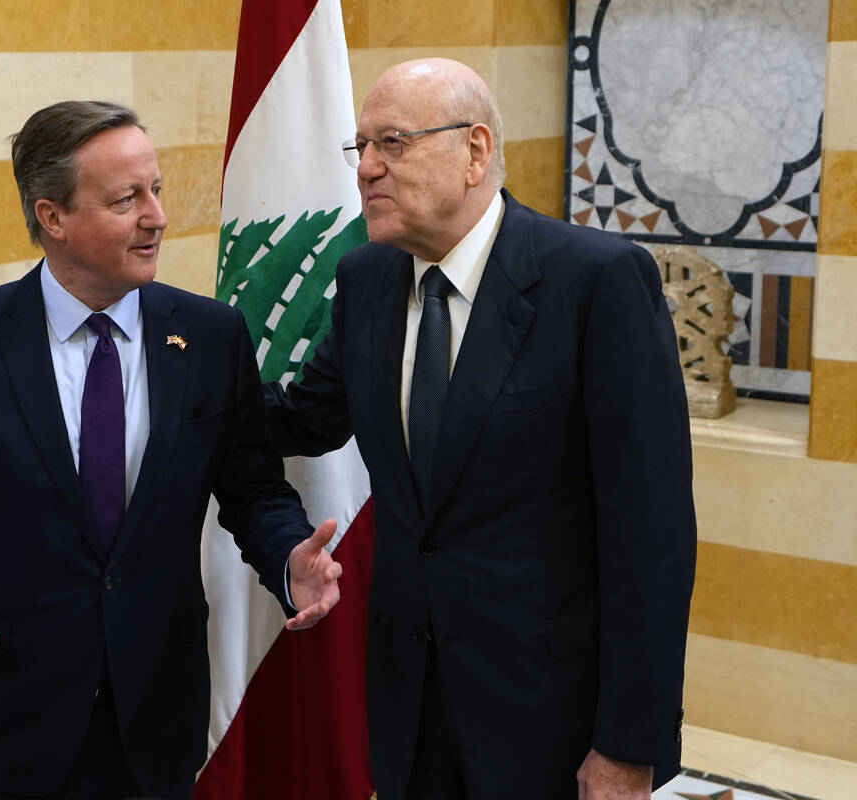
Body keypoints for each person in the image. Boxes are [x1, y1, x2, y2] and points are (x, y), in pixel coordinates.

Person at [0, 100, 343, 800]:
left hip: (150, 723)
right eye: (127, 199)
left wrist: (288, 556)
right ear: (52, 217)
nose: (158, 217)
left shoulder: (211, 338)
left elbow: (254, 492)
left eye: (157, 190)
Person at [263, 59, 697, 799]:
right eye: (360, 146)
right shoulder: (367, 278)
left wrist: (628, 744)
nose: (366, 167)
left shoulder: (595, 282)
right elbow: (305, 416)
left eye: (391, 143)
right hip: (410, 703)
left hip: (548, 716)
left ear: (474, 151)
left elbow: (651, 535)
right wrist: (176, 371)